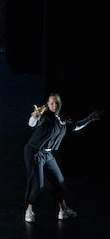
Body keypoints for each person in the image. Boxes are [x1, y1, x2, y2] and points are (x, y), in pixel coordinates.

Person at [23, 94, 103, 223]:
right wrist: (35, 116)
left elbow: (76, 126)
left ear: (61, 104)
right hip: (34, 152)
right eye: (52, 103)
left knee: (58, 180)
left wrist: (90, 118)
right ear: (48, 105)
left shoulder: (63, 118)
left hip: (47, 154)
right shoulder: (46, 117)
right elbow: (32, 124)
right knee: (38, 183)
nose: (55, 105)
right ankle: (29, 210)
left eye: (57, 103)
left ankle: (63, 210)